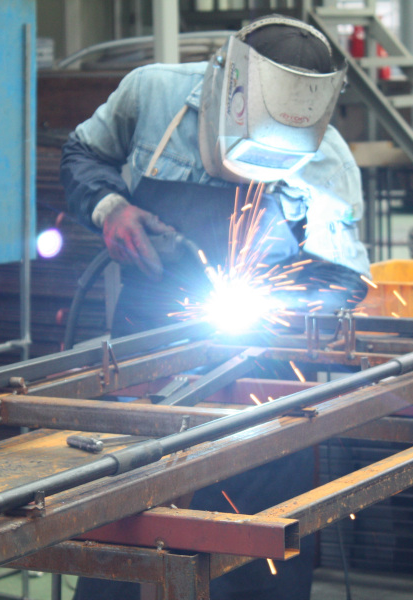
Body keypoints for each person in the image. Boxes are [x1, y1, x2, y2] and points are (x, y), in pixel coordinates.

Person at [61, 14, 370, 600]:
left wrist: (282, 303)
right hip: (145, 355)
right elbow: (82, 153)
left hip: (263, 376)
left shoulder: (326, 155)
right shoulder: (153, 94)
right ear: (227, 90)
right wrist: (110, 209)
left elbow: (344, 278)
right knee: (124, 548)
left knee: (251, 557)